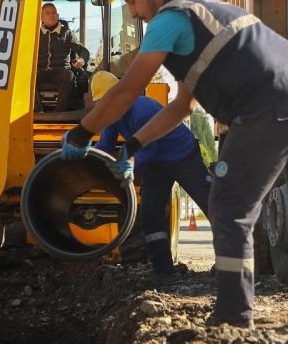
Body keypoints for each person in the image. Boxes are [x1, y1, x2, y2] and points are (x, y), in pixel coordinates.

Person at [60, 0, 288, 329]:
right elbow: (182, 107)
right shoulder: (206, 17)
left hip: (268, 105)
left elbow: (126, 91)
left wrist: (84, 131)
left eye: (132, 1)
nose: (133, 12)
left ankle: (234, 315)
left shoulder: (169, 19)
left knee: (229, 205)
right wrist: (135, 145)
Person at [86, 70, 212, 280]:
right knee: (151, 212)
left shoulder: (141, 110)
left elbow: (148, 149)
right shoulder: (112, 116)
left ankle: (233, 262)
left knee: (210, 202)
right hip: (157, 164)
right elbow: (105, 146)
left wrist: (127, 164)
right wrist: (91, 163)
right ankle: (161, 269)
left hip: (182, 156)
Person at [37, 2, 90, 112]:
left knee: (69, 75)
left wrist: (81, 60)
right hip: (40, 72)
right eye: (47, 13)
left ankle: (59, 112)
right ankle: (38, 111)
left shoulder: (66, 33)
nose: (51, 15)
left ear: (57, 16)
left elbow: (83, 51)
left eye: (53, 13)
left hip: (60, 72)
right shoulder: (35, 34)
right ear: (41, 17)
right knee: (26, 77)